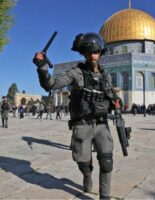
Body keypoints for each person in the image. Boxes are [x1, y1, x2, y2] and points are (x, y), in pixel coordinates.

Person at [33, 32, 121, 199]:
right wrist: (42, 67)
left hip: (102, 124)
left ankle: (105, 196)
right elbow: (52, 84)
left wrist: (116, 101)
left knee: (107, 162)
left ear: (100, 53)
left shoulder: (106, 75)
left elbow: (110, 95)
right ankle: (87, 174)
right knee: (83, 161)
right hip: (82, 124)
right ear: (84, 54)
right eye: (89, 52)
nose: (93, 55)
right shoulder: (76, 73)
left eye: (96, 52)